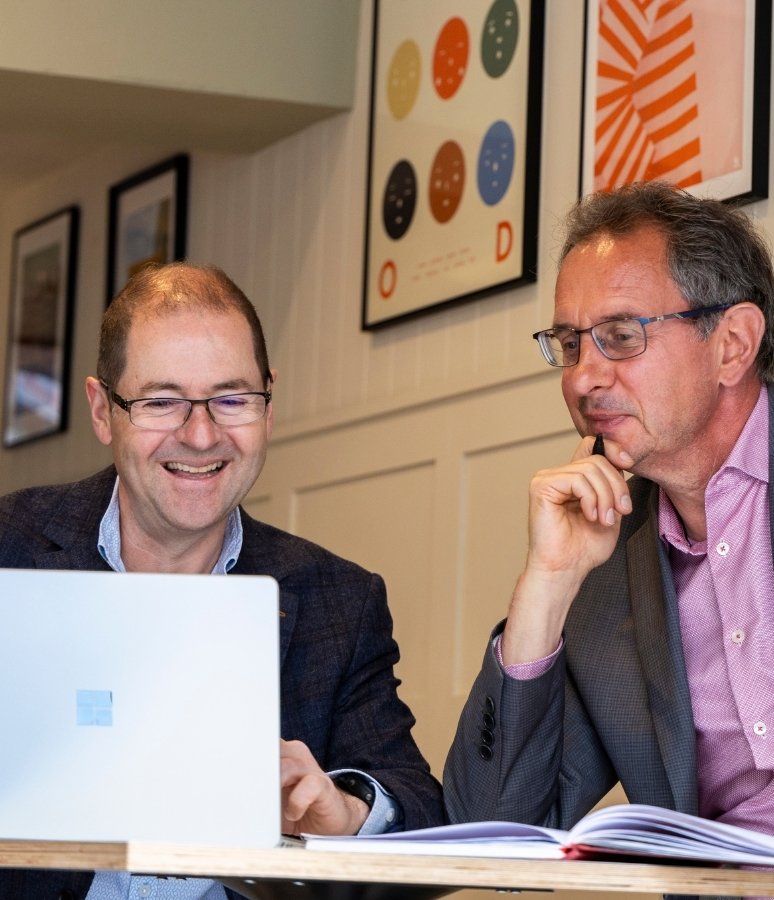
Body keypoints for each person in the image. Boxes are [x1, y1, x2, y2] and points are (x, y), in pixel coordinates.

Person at [443, 182, 774, 898]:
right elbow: (491, 829)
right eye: (568, 343)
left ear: (733, 345)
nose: (584, 377)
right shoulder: (599, 556)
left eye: (621, 336)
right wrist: (547, 585)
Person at [0, 262, 444, 899]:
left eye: (232, 398)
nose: (202, 434)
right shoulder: (8, 548)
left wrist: (343, 814)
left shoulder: (339, 600)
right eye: (161, 401)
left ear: (269, 401)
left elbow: (418, 805)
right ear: (104, 412)